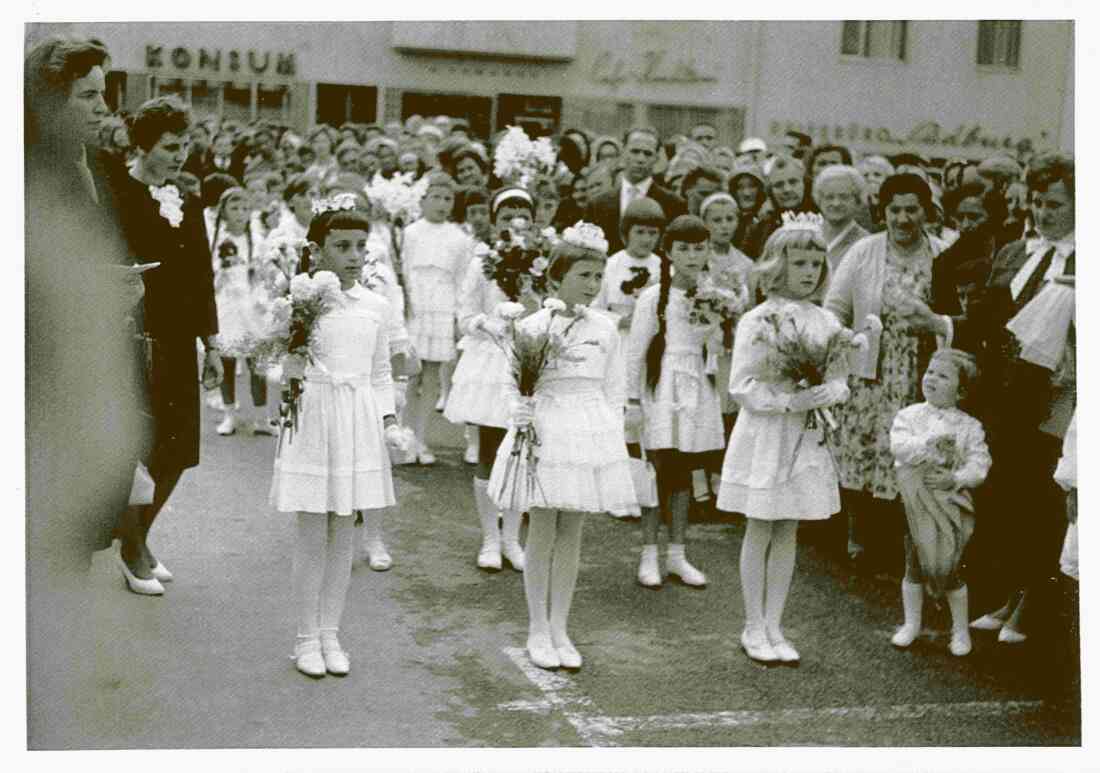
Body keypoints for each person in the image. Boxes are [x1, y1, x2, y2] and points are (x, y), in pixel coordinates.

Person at [489, 223, 639, 670]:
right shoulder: (533, 326)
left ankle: (560, 625)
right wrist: (520, 411)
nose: (592, 285)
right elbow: (511, 383)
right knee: (542, 526)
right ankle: (537, 626)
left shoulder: (606, 329)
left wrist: (610, 431)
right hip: (547, 426)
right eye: (583, 275)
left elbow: (614, 388)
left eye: (597, 277)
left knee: (572, 529)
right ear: (556, 277)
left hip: (587, 427)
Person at [269, 204, 404, 678]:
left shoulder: (376, 306)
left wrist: (389, 423)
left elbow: (381, 372)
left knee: (344, 528)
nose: (353, 256)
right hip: (314, 416)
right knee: (312, 530)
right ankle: (305, 638)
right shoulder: (298, 301)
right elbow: (277, 362)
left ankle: (331, 633)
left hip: (358, 420)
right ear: (316, 251)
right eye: (341, 247)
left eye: (360, 247)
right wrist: (287, 371)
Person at [945, 153, 1075, 644]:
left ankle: (1033, 603)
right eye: (1038, 202)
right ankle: (1011, 593)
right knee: (1013, 496)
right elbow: (986, 318)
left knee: (1047, 499)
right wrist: (943, 326)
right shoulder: (1015, 253)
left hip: (1060, 397)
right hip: (1009, 393)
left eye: (1056, 204)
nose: (1044, 213)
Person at [718, 217, 853, 664]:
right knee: (761, 525)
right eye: (800, 263)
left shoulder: (827, 321)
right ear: (779, 265)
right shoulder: (758, 320)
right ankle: (752, 624)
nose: (810, 272)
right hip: (768, 433)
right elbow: (741, 385)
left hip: (805, 437)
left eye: (817, 263)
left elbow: (841, 379)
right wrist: (785, 401)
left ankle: (776, 623)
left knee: (789, 526)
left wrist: (826, 392)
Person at [104, 96, 223, 593]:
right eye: (171, 146)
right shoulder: (115, 193)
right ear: (144, 145)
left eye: (185, 146)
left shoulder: (187, 201)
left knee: (177, 450)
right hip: (126, 337)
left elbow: (200, 275)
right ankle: (132, 549)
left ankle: (140, 536)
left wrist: (211, 344)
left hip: (176, 339)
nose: (179, 156)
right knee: (134, 448)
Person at [823, 174, 952, 578]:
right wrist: (845, 343)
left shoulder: (942, 252)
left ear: (926, 212)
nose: (903, 218)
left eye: (912, 209)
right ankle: (858, 539)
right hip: (870, 372)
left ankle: (905, 549)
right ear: (884, 212)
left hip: (919, 372)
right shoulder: (864, 251)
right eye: (895, 209)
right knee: (864, 454)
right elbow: (835, 307)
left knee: (909, 455)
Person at [626, 216, 723, 589]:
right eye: (683, 248)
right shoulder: (653, 297)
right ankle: (649, 553)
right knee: (657, 471)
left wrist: (716, 331)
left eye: (699, 248)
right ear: (668, 252)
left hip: (696, 386)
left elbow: (715, 347)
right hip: (661, 388)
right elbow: (635, 352)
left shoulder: (714, 294)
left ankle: (678, 554)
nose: (692, 256)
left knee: (683, 472)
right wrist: (632, 400)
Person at [444, 188, 537, 571]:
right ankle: (489, 538)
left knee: (522, 452)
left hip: (528, 358)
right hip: (490, 361)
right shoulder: (482, 260)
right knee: (489, 450)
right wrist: (490, 324)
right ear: (495, 222)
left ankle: (513, 539)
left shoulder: (541, 261)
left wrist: (530, 298)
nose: (515, 222)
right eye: (506, 216)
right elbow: (465, 314)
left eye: (524, 216)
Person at [888, 349, 991, 657]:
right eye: (930, 371)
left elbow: (980, 463)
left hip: (949, 503)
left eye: (943, 375)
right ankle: (911, 624)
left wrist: (956, 478)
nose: (931, 378)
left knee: (950, 564)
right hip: (915, 501)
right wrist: (928, 443)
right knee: (915, 561)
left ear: (961, 390)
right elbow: (899, 447)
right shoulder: (909, 416)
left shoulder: (970, 427)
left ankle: (959, 631)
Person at [402, 171, 472, 464]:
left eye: (448, 199)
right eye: (436, 197)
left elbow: (461, 278)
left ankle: (421, 438)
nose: (442, 204)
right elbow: (403, 270)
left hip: (442, 303)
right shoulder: (410, 232)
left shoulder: (459, 238)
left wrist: (457, 315)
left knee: (432, 375)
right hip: (415, 302)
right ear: (423, 199)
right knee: (410, 372)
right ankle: (403, 437)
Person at [207, 187, 274, 436]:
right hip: (226, 303)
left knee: (257, 362)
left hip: (252, 303)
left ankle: (262, 417)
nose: (240, 213)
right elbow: (209, 271)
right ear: (223, 211)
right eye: (234, 208)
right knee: (227, 358)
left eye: (245, 208)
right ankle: (229, 415)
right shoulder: (216, 240)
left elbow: (266, 270)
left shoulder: (257, 239)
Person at [700, 192, 754, 437]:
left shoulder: (746, 264)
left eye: (729, 219)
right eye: (717, 220)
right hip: (704, 340)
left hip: (733, 342)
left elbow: (751, 307)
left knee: (730, 398)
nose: (724, 226)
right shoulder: (699, 259)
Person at [586, 128, 687, 255]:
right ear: (623, 152)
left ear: (656, 157)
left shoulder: (674, 204)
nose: (640, 159)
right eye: (635, 151)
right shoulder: (597, 204)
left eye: (647, 153)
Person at [742, 155, 813, 259]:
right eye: (779, 185)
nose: (787, 189)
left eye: (793, 182)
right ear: (770, 191)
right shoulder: (761, 228)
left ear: (804, 183)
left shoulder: (820, 219)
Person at [813, 165, 869, 276]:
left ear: (858, 201)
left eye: (844, 197)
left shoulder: (866, 243)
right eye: (829, 197)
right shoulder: (808, 234)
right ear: (819, 200)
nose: (836, 203)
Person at [729, 161, 767, 256]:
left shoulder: (768, 219)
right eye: (740, 187)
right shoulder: (727, 218)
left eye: (752, 186)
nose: (747, 193)